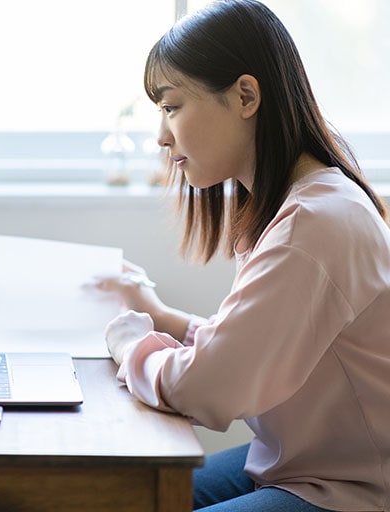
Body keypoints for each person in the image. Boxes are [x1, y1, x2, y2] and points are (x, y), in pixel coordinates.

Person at [98, 1, 390, 511]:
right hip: (303, 463)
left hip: (350, 489)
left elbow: (210, 387)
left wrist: (130, 344)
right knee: (116, 497)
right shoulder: (305, 204)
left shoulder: (313, 225)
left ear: (245, 96)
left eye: (171, 107)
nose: (162, 137)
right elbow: (253, 349)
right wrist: (164, 317)